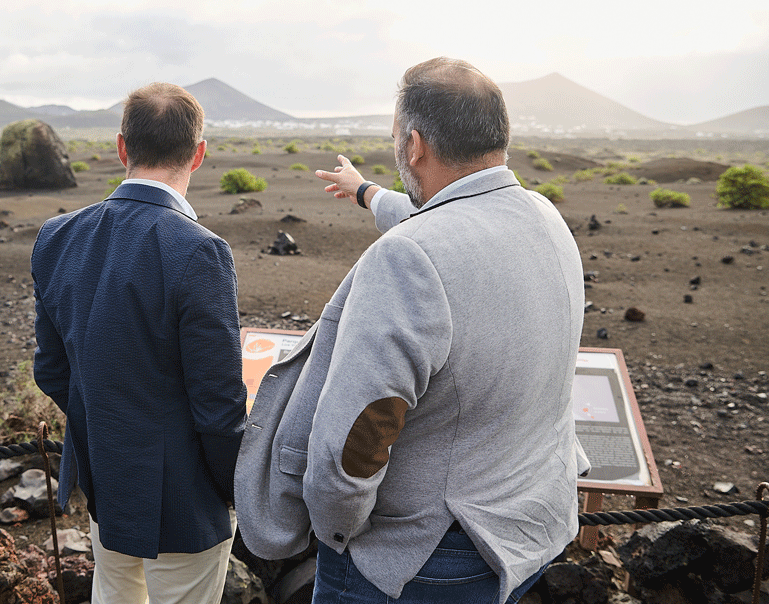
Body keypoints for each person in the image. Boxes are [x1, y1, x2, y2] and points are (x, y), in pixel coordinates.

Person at [235, 57, 587, 604]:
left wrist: (339, 533)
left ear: (415, 145)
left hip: (420, 559)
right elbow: (445, 221)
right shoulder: (544, 217)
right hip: (528, 532)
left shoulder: (409, 259)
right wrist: (365, 192)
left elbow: (353, 442)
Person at [31, 82, 247, 604]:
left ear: (122, 147)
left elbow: (52, 371)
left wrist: (108, 430)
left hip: (105, 484)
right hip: (185, 502)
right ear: (197, 155)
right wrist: (238, 491)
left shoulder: (56, 237)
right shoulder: (200, 252)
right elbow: (218, 406)